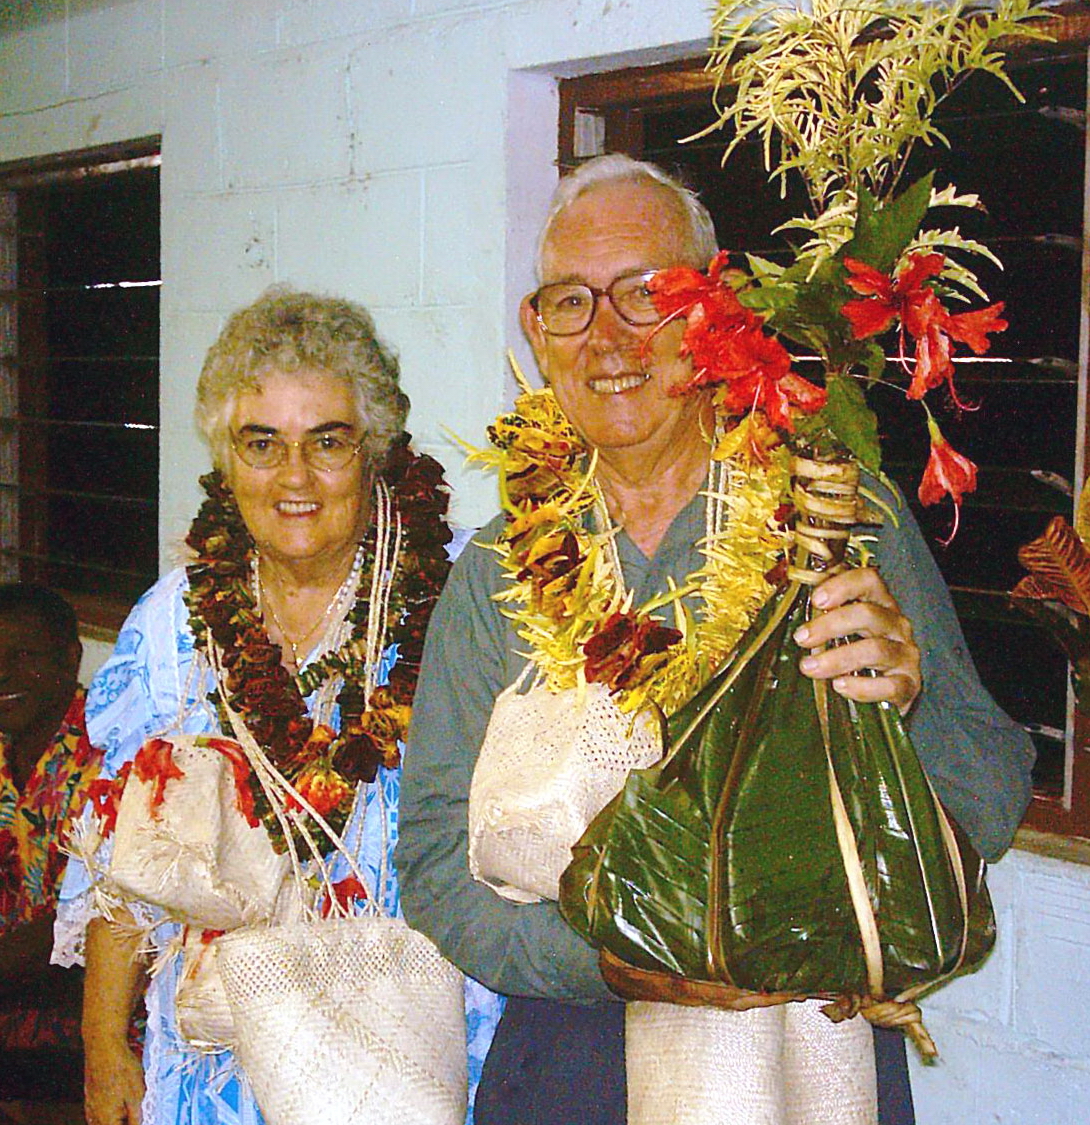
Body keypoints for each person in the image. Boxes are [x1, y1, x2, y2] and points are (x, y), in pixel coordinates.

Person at [396, 155, 1035, 1125]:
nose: (606, 338)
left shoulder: (837, 520)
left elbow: (987, 790)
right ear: (536, 330)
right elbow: (436, 863)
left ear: (714, 307)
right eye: (570, 301)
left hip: (810, 1055)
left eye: (646, 294)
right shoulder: (497, 569)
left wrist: (908, 710)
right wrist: (611, 963)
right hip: (575, 1058)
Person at [54, 287, 501, 1125]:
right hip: (217, 1052)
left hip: (406, 1043)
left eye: (326, 442)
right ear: (227, 456)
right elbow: (122, 854)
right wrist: (103, 1044)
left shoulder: (460, 599)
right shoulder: (172, 625)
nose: (294, 477)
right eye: (262, 443)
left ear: (375, 449)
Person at [0, 583, 98, 1122]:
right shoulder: (6, 750)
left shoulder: (106, 761)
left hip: (76, 1036)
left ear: (71, 657)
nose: (2, 675)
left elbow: (74, 931)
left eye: (23, 657)